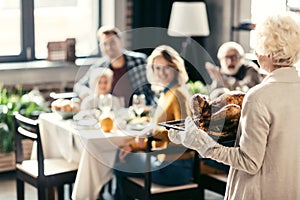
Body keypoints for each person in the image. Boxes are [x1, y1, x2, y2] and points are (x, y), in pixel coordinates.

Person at [168, 12, 300, 199]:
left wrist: (203, 145)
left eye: (257, 47)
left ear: (269, 52)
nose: (255, 53)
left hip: (258, 193)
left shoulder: (258, 97)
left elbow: (249, 162)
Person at [112, 45, 193, 199]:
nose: (161, 73)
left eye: (166, 68)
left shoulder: (178, 95)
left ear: (176, 67)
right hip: (167, 161)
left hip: (175, 167)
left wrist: (149, 133)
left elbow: (184, 132)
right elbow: (160, 128)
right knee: (123, 155)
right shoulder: (168, 92)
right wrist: (132, 146)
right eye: (157, 68)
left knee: (118, 164)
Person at [74, 26, 153, 107]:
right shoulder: (99, 67)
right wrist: (88, 93)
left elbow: (155, 85)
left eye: (112, 42)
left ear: (121, 42)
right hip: (113, 113)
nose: (109, 47)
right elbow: (79, 86)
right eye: (104, 44)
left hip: (140, 112)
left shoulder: (139, 61)